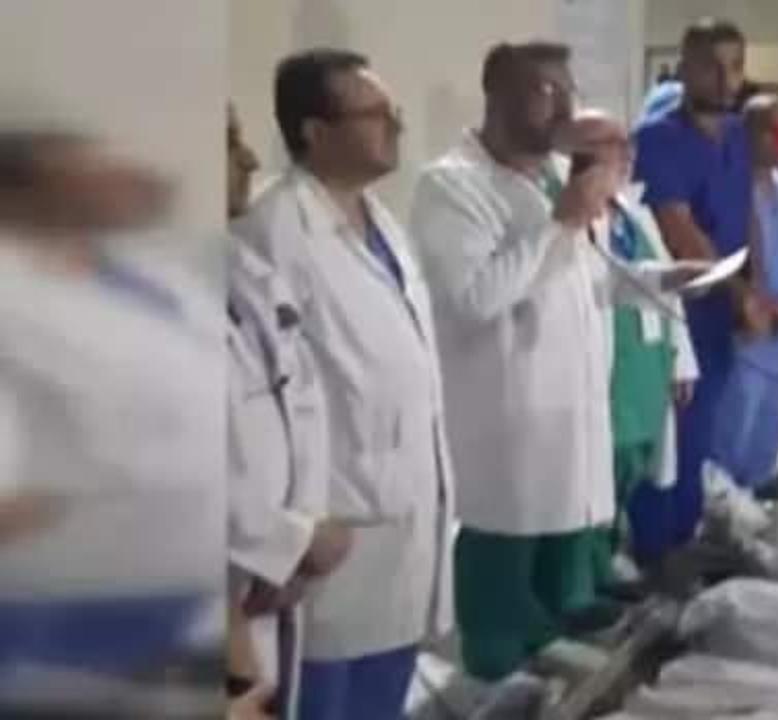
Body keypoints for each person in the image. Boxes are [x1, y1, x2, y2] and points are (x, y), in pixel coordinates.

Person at [409, 43, 700, 682]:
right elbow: (474, 298)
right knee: (502, 546)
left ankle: (538, 657)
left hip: (570, 399)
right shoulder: (450, 184)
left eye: (569, 90)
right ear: (496, 95)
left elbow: (587, 278)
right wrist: (561, 221)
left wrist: (662, 277)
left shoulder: (550, 179)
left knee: (550, 543)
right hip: (506, 409)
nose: (564, 106)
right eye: (546, 91)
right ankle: (492, 676)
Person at [232, 49, 456, 720]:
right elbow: (270, 402)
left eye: (394, 111)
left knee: (383, 693)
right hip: (328, 538)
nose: (395, 126)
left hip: (404, 521)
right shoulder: (274, 230)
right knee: (324, 696)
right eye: (375, 113)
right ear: (315, 131)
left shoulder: (383, 223)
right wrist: (282, 540)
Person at [0, 129, 222, 707]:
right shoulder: (13, 293)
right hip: (55, 620)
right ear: (19, 192)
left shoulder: (155, 279)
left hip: (187, 605)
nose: (126, 177)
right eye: (89, 170)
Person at [226, 102, 352, 720]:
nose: (251, 158)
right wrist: (288, 541)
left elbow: (297, 409)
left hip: (269, 586)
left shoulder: (244, 272)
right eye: (229, 141)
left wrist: (296, 547)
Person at [630, 17, 762, 589]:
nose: (726, 79)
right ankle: (655, 553)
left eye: (735, 66)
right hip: (676, 313)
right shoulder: (658, 139)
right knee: (671, 439)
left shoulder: (737, 135)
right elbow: (680, 230)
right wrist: (741, 293)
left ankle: (682, 540)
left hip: (721, 312)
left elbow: (745, 213)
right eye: (712, 66)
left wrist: (754, 286)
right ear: (683, 68)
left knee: (701, 435)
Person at [567, 111, 701, 596]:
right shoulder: (573, 219)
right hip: (609, 369)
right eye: (611, 146)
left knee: (633, 468)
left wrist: (681, 359)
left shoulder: (633, 213)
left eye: (628, 146)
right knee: (595, 475)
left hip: (648, 365)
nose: (626, 156)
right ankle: (587, 579)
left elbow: (667, 290)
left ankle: (608, 563)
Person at [712, 94, 778, 492]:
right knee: (731, 439)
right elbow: (731, 262)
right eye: (771, 130)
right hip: (747, 332)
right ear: (746, 133)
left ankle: (751, 505)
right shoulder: (729, 187)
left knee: (769, 434)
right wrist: (765, 306)